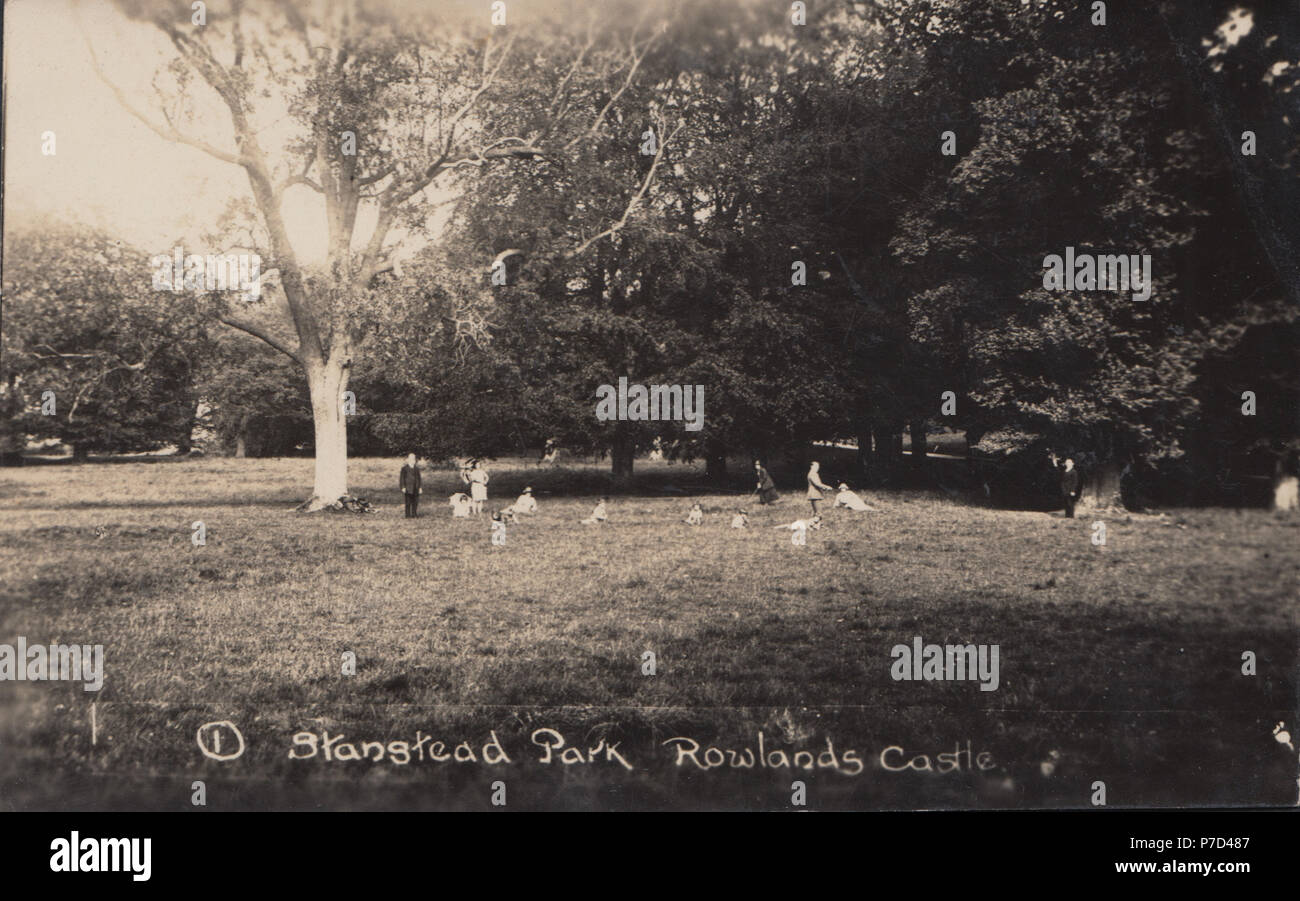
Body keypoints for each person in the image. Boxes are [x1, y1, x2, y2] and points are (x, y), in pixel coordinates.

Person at [1050, 453, 1081, 518]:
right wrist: (1055, 464)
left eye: (1069, 462)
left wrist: (1073, 490)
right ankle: (1067, 516)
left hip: (1070, 489)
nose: (1068, 463)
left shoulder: (1074, 472)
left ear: (1072, 463)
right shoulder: (1064, 471)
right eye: (1067, 462)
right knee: (1065, 503)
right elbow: (1059, 473)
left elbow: (1075, 482)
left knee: (1070, 503)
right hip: (1064, 489)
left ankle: (1071, 516)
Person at [399, 453, 422, 518]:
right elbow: (402, 478)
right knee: (408, 502)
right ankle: (407, 515)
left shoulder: (416, 469)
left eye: (414, 459)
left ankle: (414, 514)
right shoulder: (404, 468)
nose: (413, 460)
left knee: (415, 502)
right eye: (411, 459)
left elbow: (419, 478)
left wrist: (420, 487)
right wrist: (403, 487)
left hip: (415, 487)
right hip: (408, 488)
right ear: (408, 460)